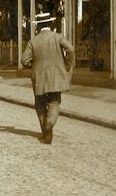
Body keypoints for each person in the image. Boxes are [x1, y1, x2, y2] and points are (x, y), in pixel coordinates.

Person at [20, 12, 75, 144]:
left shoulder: (33, 41)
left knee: (40, 104)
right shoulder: (57, 37)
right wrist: (66, 65)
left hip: (39, 79)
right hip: (56, 77)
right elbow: (71, 49)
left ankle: (45, 132)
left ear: (38, 27)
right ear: (50, 24)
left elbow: (24, 60)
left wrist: (35, 67)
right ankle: (49, 124)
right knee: (54, 102)